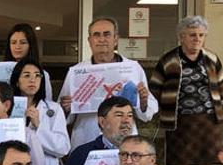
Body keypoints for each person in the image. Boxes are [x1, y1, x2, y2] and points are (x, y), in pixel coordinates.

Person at [150, 15, 223, 165]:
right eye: (192, 35)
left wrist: (212, 103)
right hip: (180, 119)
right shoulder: (169, 60)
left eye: (201, 35)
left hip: (208, 120)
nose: (197, 39)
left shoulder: (211, 58)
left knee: (207, 160)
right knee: (181, 161)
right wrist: (169, 106)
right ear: (181, 37)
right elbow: (155, 87)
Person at [59, 17, 158, 150]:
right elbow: (62, 115)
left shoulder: (132, 68)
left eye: (107, 34)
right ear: (89, 41)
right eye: (96, 35)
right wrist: (65, 108)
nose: (101, 39)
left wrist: (144, 102)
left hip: (124, 140)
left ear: (116, 39)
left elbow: (147, 114)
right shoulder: (76, 72)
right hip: (87, 137)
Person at [52, 97, 137, 165]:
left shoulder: (142, 153)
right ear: (102, 122)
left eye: (130, 115)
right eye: (119, 115)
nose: (126, 120)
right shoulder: (82, 154)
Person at [10, 59, 69, 165]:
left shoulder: (53, 109)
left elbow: (63, 148)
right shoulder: (8, 108)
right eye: (27, 75)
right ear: (17, 81)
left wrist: (39, 126)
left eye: (37, 76)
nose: (33, 80)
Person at [2, 23, 53, 100]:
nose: (17, 46)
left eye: (23, 42)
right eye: (13, 42)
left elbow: (47, 102)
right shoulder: (1, 71)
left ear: (30, 45)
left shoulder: (42, 74)